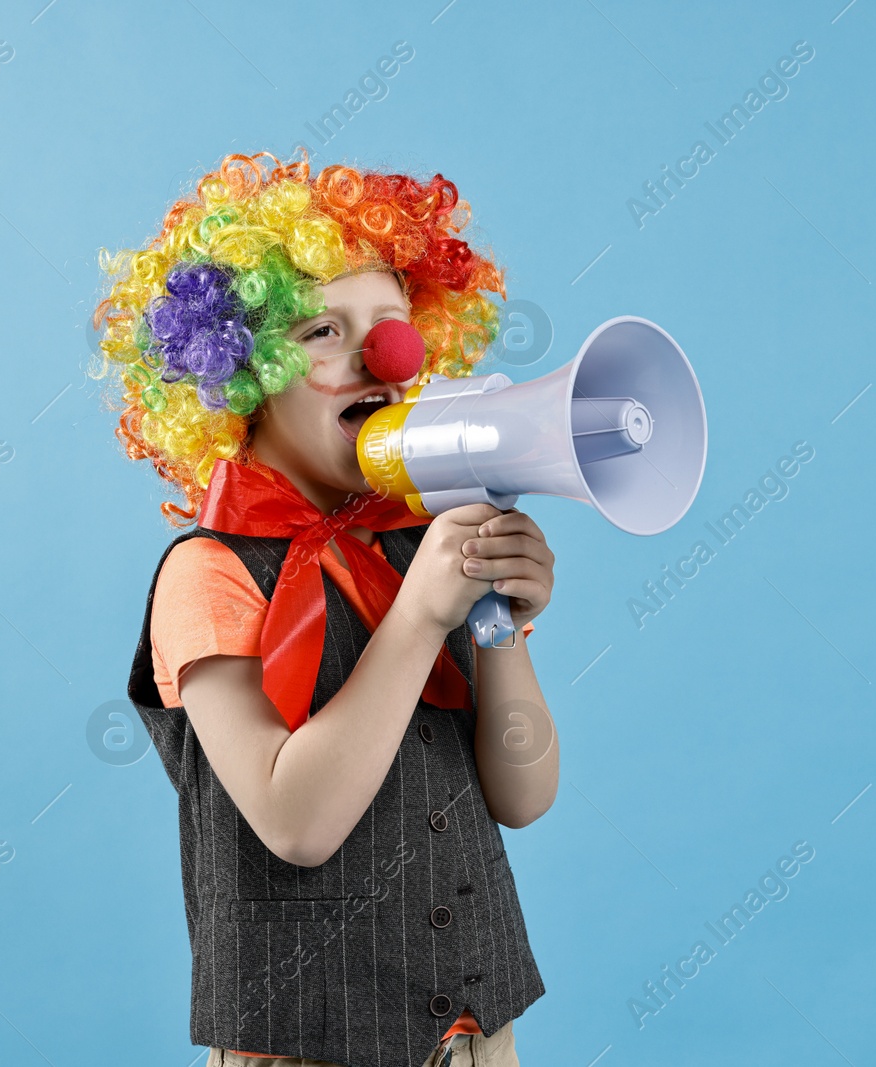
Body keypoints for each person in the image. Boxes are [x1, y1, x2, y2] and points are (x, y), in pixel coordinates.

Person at [95, 150, 557, 1067]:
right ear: (239, 368)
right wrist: (423, 615)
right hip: (309, 1046)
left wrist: (497, 625)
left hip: (481, 1038)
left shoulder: (412, 546)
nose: (381, 355)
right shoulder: (208, 573)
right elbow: (295, 821)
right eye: (321, 332)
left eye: (393, 325)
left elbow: (525, 794)